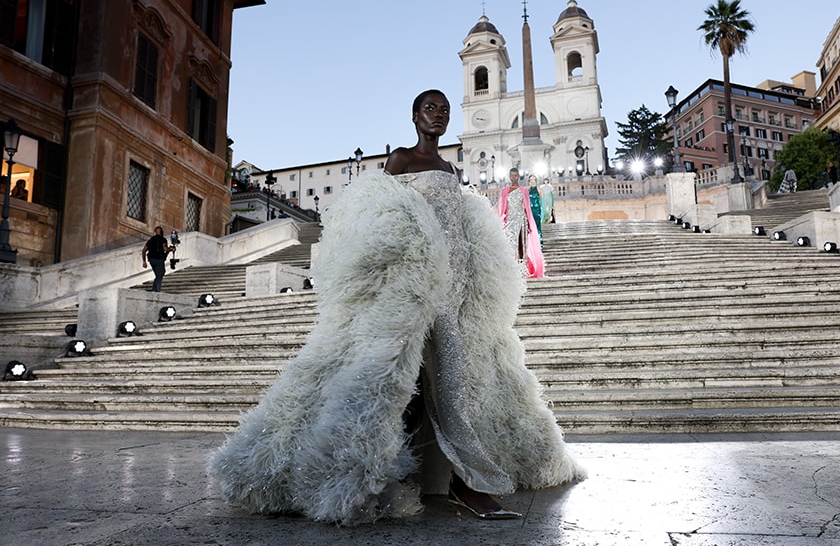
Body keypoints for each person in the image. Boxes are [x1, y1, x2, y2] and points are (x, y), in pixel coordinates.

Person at [209, 89, 584, 526]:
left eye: (444, 110)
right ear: (414, 116)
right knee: (418, 379)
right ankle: (456, 483)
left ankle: (441, 479)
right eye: (430, 108)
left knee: (448, 379)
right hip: (414, 285)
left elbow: (459, 224)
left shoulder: (449, 167)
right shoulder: (401, 160)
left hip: (458, 284)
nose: (438, 116)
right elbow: (378, 219)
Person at [496, 168, 545, 278]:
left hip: (521, 219)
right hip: (510, 220)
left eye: (516, 176)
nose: (514, 178)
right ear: (509, 176)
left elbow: (527, 207)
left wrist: (528, 221)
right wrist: (501, 222)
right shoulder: (504, 191)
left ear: (519, 176)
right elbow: (502, 208)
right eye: (512, 176)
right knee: (511, 244)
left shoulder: (524, 190)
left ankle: (522, 268)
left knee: (522, 244)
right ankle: (513, 269)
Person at [141, 226, 173, 292]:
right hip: (159, 259)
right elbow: (165, 249)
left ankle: (155, 289)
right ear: (161, 231)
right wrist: (171, 249)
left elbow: (144, 250)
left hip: (151, 260)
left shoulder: (151, 239)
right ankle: (156, 290)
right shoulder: (163, 239)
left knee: (158, 274)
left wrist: (144, 261)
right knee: (161, 273)